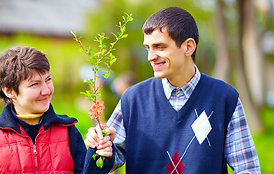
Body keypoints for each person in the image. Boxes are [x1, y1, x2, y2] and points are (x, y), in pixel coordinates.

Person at [84, 7, 261, 173]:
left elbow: (247, 168)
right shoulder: (133, 99)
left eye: (160, 47)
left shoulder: (225, 98)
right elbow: (108, 162)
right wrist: (101, 146)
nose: (151, 57)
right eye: (148, 48)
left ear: (188, 47)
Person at [0, 46, 86, 173]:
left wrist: (101, 153)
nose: (46, 91)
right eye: (34, 84)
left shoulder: (68, 131)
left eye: (48, 80)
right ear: (9, 91)